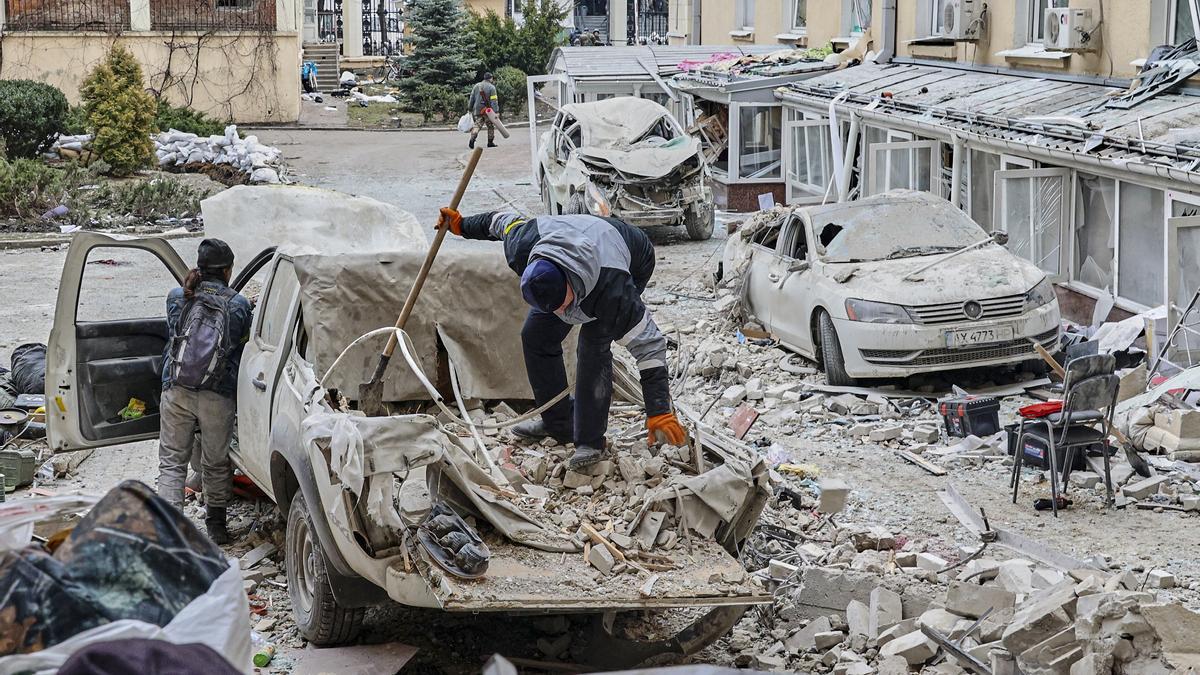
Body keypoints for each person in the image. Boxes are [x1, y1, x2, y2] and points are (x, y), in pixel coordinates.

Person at [435, 208, 687, 469]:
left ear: (570, 285)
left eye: (561, 305)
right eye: (552, 308)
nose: (560, 314)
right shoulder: (522, 244)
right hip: (575, 244)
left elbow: (649, 344)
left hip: (631, 253)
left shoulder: (612, 290)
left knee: (593, 344)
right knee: (535, 335)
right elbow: (499, 221)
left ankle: (590, 442)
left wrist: (659, 411)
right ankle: (559, 423)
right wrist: (462, 224)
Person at [157, 238, 252, 545]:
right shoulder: (238, 304)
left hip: (177, 389)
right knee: (216, 460)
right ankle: (216, 525)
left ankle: (171, 530)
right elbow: (241, 345)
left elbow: (174, 337)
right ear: (227, 270)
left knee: (172, 461)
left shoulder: (176, 296)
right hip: (217, 394)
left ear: (199, 266)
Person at [467, 72, 499, 150]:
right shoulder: (492, 88)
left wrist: (470, 108)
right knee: (490, 126)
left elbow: (472, 98)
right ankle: (490, 142)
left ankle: (473, 137)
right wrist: (496, 111)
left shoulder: (476, 86)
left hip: (478, 110)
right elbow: (494, 101)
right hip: (488, 111)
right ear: (490, 78)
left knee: (477, 125)